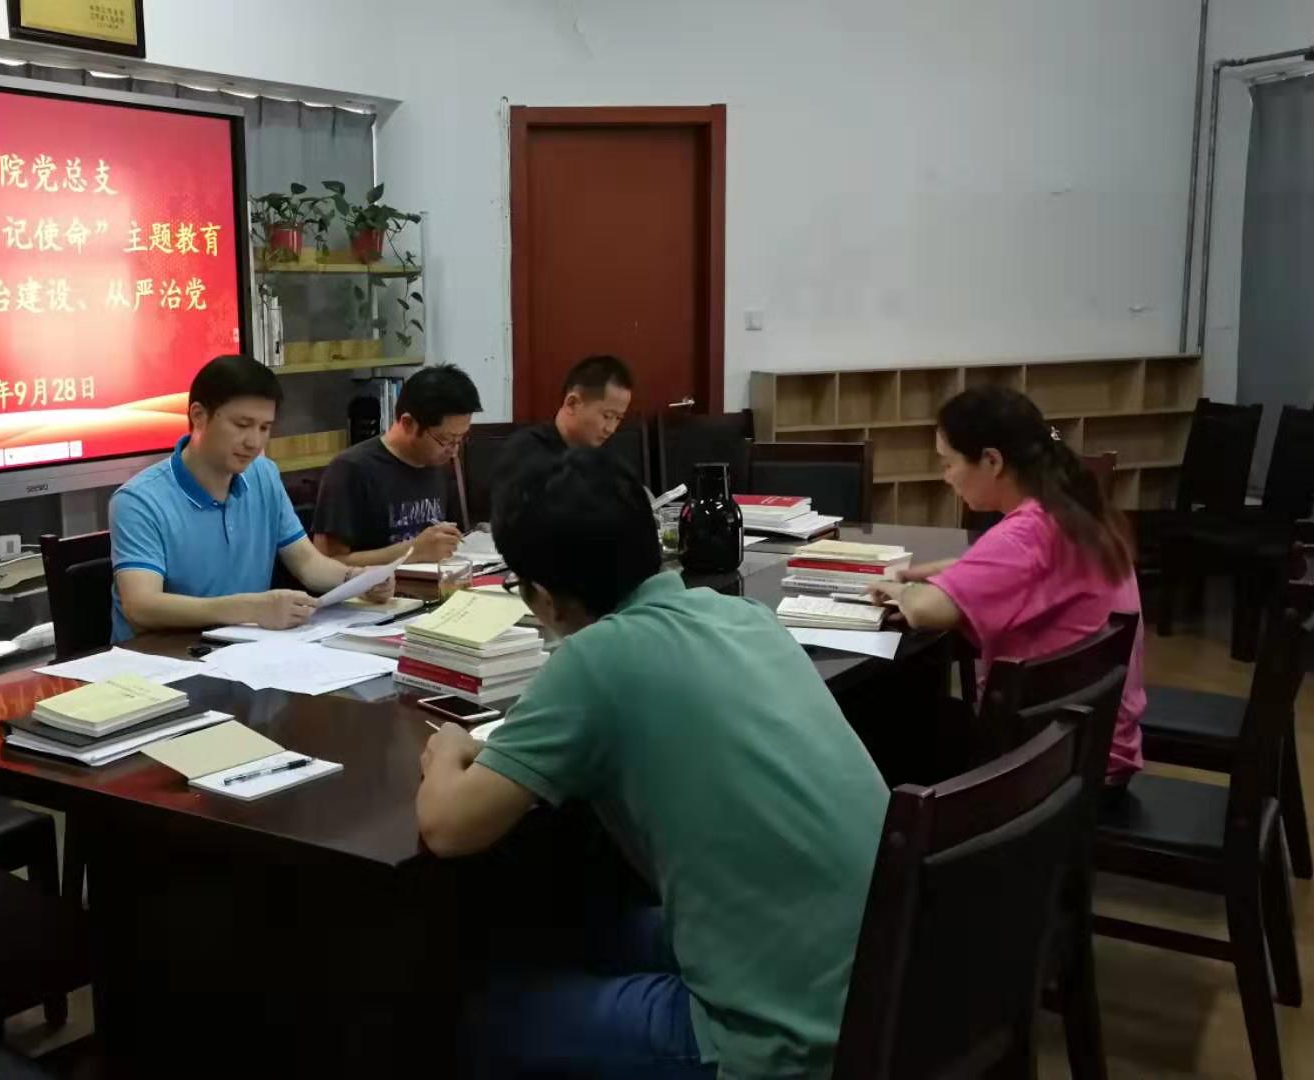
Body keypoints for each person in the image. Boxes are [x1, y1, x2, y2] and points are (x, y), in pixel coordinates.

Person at [416, 449, 888, 1078]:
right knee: (587, 930)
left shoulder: (593, 659)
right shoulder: (742, 614)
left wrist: (448, 748)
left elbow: (448, 828)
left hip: (780, 1040)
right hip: (885, 979)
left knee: (487, 1015)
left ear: (542, 598)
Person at [865, 384, 1146, 782]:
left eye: (948, 463)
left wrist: (899, 590)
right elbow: (1017, 568)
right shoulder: (1070, 509)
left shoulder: (1025, 534)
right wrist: (934, 572)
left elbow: (926, 610)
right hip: (1092, 745)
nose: (946, 478)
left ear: (991, 460)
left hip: (1044, 766)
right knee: (914, 712)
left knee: (877, 724)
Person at [109, 355, 392, 642]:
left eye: (264, 428)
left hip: (245, 649)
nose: (254, 442)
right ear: (199, 416)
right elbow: (141, 606)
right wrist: (250, 609)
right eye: (242, 425)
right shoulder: (139, 501)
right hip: (164, 656)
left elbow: (307, 563)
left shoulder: (263, 474)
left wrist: (356, 578)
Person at [312, 363, 483, 566]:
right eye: (446, 440)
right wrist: (411, 551)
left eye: (460, 439)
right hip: (377, 587)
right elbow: (324, 564)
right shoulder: (352, 469)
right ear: (408, 423)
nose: (454, 451)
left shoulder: (438, 463)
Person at [493, 354, 634, 489]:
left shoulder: (604, 452)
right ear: (572, 403)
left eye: (618, 418)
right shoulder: (524, 453)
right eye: (607, 416)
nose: (611, 429)